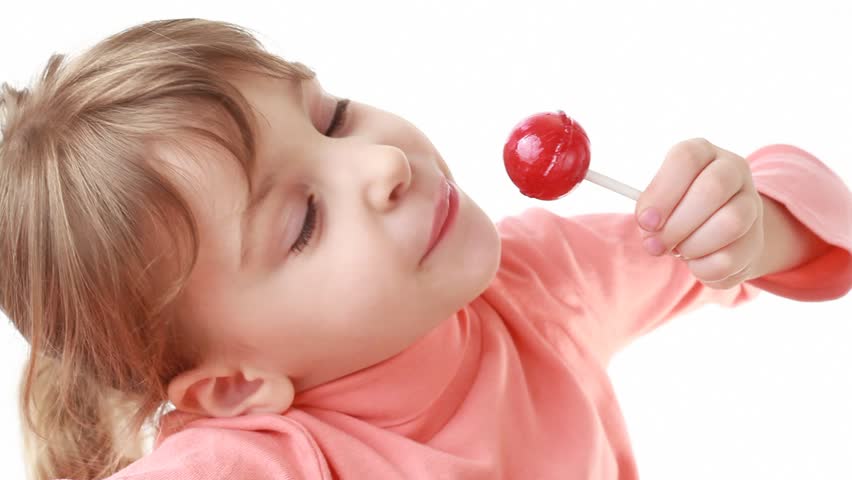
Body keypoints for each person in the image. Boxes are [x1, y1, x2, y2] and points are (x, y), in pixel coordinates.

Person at [0, 18, 848, 480]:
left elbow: (816, 217)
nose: (383, 164)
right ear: (234, 386)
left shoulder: (536, 284)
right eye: (304, 222)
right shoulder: (262, 460)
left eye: (332, 117)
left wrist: (746, 228)